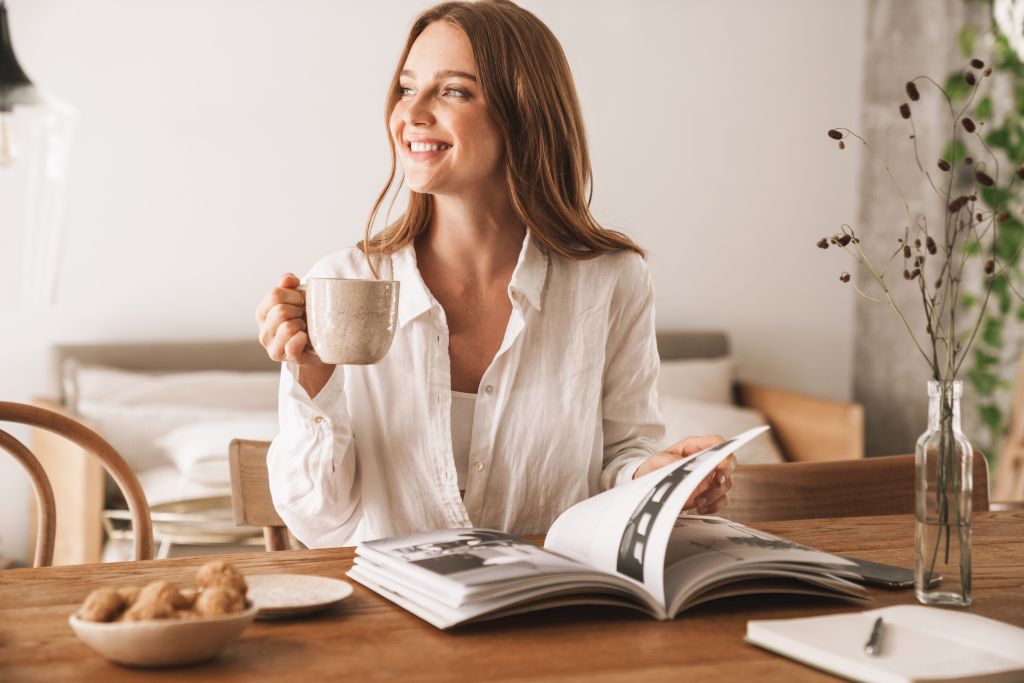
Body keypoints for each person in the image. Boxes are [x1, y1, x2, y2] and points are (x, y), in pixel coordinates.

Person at [255, 0, 735, 548]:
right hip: (392, 616)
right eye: (408, 88)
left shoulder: (612, 280)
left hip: (553, 608)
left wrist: (656, 480)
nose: (412, 113)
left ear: (523, 113)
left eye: (454, 91)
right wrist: (314, 380)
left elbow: (620, 457)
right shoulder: (345, 282)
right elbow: (318, 521)